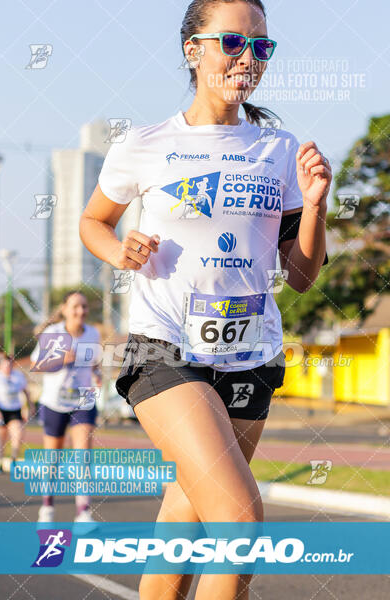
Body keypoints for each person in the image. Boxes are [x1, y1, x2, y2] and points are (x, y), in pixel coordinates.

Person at [79, 0, 331, 597]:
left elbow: (300, 276)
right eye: (233, 43)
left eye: (262, 46)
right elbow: (94, 221)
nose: (249, 58)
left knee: (183, 525)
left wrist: (317, 206)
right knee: (239, 522)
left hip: (250, 357)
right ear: (193, 51)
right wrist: (119, 253)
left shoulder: (279, 150)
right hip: (166, 352)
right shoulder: (144, 144)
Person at [29, 290, 102, 524]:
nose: (81, 311)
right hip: (54, 402)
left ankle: (83, 512)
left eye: (84, 306)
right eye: (75, 306)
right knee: (53, 458)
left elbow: (94, 363)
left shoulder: (93, 333)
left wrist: (97, 374)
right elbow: (36, 364)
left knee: (83, 455)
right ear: (64, 309)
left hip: (82, 401)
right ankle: (47, 507)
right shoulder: (53, 333)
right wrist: (61, 360)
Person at [0, 354, 33, 473]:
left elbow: (26, 392)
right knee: (1, 438)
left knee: (18, 435)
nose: (7, 367)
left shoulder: (18, 376)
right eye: (5, 365)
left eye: (9, 365)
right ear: (0, 366)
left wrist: (29, 406)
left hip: (15, 410)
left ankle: (13, 461)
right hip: (1, 410)